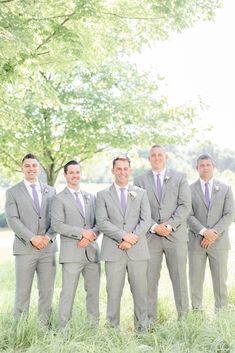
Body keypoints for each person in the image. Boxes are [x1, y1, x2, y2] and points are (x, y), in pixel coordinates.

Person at [134, 145, 191, 323]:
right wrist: (153, 226)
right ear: (149, 159)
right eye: (153, 155)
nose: (157, 158)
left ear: (165, 157)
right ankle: (150, 322)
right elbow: (137, 209)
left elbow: (185, 206)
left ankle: (184, 321)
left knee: (180, 280)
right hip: (151, 238)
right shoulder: (139, 180)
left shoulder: (180, 177)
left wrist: (169, 225)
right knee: (149, 281)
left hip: (176, 237)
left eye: (160, 155)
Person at [96, 156, 151, 332]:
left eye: (125, 168)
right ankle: (112, 331)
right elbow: (102, 222)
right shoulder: (102, 195)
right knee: (113, 293)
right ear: (113, 171)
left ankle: (141, 330)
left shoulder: (141, 193)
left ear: (130, 170)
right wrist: (123, 237)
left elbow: (146, 220)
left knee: (140, 293)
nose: (122, 172)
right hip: (114, 251)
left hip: (138, 251)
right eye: (118, 168)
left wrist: (132, 238)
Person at [5, 153, 57, 326]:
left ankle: (44, 327)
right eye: (27, 165)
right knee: (22, 292)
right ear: (23, 168)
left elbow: (56, 219)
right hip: (24, 249)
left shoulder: (51, 191)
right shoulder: (12, 192)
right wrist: (32, 238)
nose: (31, 169)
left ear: (39, 168)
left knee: (46, 291)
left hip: (47, 250)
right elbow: (12, 220)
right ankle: (21, 329)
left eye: (34, 165)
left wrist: (47, 237)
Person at [51, 160, 100, 328]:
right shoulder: (58, 199)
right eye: (71, 172)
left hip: (92, 253)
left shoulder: (91, 197)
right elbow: (56, 225)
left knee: (93, 293)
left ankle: (93, 328)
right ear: (65, 175)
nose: (75, 175)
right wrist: (81, 233)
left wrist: (90, 237)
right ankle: (63, 330)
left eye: (77, 172)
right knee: (68, 293)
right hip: (71, 253)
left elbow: (99, 223)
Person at [187, 153, 234, 310]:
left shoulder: (226, 189)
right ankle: (197, 312)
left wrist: (213, 234)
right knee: (195, 280)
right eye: (202, 165)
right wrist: (203, 231)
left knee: (221, 280)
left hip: (219, 243)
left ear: (214, 167)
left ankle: (221, 312)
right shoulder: (189, 189)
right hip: (196, 242)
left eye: (208, 165)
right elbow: (187, 214)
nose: (205, 168)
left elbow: (229, 214)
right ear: (197, 168)